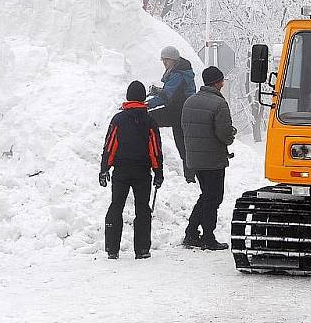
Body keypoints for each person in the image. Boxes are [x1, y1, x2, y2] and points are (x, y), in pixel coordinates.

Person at [100, 81, 164, 259]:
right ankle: (142, 249)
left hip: (121, 171)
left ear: (128, 97)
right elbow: (155, 149)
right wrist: (158, 172)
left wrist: (104, 168)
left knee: (116, 206)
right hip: (142, 172)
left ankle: (112, 249)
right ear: (143, 98)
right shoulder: (149, 121)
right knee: (143, 209)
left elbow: (110, 146)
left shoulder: (118, 119)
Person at [181, 66, 236, 250]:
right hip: (213, 160)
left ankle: (191, 233)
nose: (223, 83)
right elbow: (225, 135)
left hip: (195, 160)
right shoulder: (219, 104)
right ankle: (208, 237)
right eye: (221, 80)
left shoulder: (189, 102)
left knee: (206, 195)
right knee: (213, 198)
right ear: (217, 82)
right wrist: (231, 134)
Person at [147, 46, 197, 182]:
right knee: (183, 147)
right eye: (163, 60)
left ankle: (190, 178)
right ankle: (190, 178)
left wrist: (146, 105)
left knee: (147, 119)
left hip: (179, 112)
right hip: (181, 113)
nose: (164, 63)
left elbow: (167, 96)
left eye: (166, 60)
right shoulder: (179, 71)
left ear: (174, 60)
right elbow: (169, 94)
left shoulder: (178, 74)